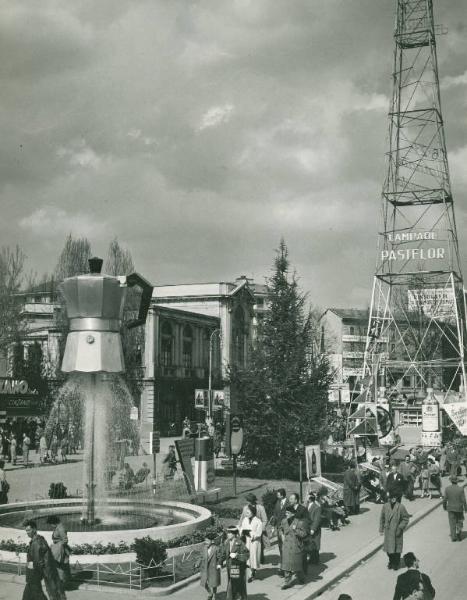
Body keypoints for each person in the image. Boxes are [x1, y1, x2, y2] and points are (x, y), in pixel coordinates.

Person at [22, 519, 63, 600]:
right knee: (27, 596)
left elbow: (37, 562)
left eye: (29, 530)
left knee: (38, 596)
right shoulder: (38, 540)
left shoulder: (36, 543)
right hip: (32, 576)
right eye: (26, 531)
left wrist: (36, 574)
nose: (27, 532)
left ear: (34, 529)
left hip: (33, 576)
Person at [280, 505, 309, 589]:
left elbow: (304, 534)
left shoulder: (299, 522)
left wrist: (296, 530)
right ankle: (287, 582)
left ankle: (301, 578)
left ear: (293, 514)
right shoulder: (284, 521)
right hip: (286, 545)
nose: (286, 514)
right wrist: (282, 535)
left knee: (297, 565)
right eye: (286, 513)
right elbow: (280, 529)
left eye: (288, 513)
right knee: (286, 565)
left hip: (296, 545)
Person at [379, 494, 410, 570]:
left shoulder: (400, 507)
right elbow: (382, 518)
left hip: (397, 532)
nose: (392, 499)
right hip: (388, 532)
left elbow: (405, 518)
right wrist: (381, 529)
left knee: (396, 550)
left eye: (394, 497)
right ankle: (391, 561)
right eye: (390, 497)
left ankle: (396, 563)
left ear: (396, 498)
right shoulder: (385, 506)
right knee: (389, 551)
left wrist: (400, 527)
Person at [238, 493, 268, 564]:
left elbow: (265, 520)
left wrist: (260, 529)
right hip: (248, 531)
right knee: (248, 546)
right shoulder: (245, 508)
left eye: (248, 500)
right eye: (247, 501)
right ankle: (250, 561)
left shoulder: (260, 508)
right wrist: (240, 528)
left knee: (259, 546)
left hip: (258, 530)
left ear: (252, 501)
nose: (247, 502)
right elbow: (242, 519)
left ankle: (260, 559)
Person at [223, 525, 249, 600]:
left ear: (234, 534)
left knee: (233, 586)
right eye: (227, 533)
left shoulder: (240, 543)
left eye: (229, 533)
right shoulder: (226, 542)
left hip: (237, 567)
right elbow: (223, 553)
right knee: (234, 585)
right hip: (229, 567)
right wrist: (219, 562)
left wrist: (237, 556)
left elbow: (246, 555)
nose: (227, 534)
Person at [239, 504, 262, 582]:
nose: (246, 514)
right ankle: (249, 574)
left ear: (253, 512)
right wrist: (242, 532)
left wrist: (251, 534)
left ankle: (253, 572)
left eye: (248, 513)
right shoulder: (245, 520)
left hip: (254, 542)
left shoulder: (258, 521)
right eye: (246, 513)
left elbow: (259, 533)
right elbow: (241, 528)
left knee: (253, 557)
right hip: (246, 541)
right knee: (247, 557)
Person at [48, 515, 71, 594]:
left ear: (53, 522)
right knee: (60, 568)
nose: (51, 526)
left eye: (51, 524)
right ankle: (62, 585)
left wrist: (57, 546)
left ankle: (60, 587)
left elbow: (65, 540)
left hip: (61, 552)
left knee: (60, 569)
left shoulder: (60, 528)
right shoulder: (58, 527)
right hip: (58, 550)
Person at [443, 474, 467, 542]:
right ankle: (459, 533)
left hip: (450, 508)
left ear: (451, 481)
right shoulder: (460, 489)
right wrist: (466, 508)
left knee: (452, 522)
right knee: (459, 521)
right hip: (459, 508)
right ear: (457, 481)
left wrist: (444, 507)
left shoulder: (447, 489)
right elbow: (464, 500)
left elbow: (444, 499)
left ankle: (453, 537)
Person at [270, 488, 288, 575]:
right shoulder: (278, 502)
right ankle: (282, 566)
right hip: (278, 528)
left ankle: (286, 568)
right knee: (280, 547)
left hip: (286, 529)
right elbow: (275, 514)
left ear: (282, 495)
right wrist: (273, 526)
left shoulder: (288, 503)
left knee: (286, 547)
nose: (277, 496)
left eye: (278, 495)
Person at [199, 531, 221, 600]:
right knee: (204, 583)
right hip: (205, 568)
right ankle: (210, 592)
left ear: (212, 541)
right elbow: (201, 557)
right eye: (205, 540)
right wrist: (197, 563)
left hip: (213, 569)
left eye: (207, 541)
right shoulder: (204, 548)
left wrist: (219, 564)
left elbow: (220, 557)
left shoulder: (216, 548)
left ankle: (214, 595)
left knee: (214, 584)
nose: (206, 542)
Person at [306, 491, 322, 565]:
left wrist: (313, 529)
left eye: (307, 496)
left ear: (310, 498)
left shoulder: (317, 507)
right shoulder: (307, 505)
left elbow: (317, 519)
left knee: (315, 544)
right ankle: (311, 559)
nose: (306, 497)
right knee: (310, 544)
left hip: (314, 529)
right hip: (308, 528)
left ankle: (315, 560)